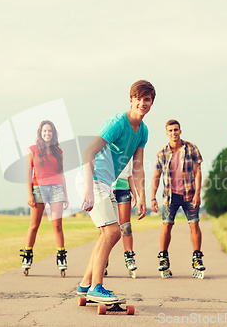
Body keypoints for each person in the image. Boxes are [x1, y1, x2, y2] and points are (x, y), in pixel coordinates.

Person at [76, 80, 155, 301]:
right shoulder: (117, 123)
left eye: (146, 99)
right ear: (131, 100)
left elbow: (137, 167)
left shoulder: (143, 131)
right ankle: (96, 287)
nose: (142, 103)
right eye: (138, 98)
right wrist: (89, 190)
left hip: (105, 183)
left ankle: (85, 285)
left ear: (151, 103)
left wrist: (141, 197)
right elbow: (87, 153)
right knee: (112, 232)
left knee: (107, 235)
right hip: (92, 179)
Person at [151, 119, 205, 278]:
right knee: (166, 225)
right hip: (170, 196)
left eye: (176, 130)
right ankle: (163, 257)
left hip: (189, 194)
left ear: (180, 131)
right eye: (170, 131)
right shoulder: (162, 153)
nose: (173, 133)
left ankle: (197, 258)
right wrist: (153, 198)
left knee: (194, 224)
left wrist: (197, 193)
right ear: (167, 133)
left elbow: (198, 172)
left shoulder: (191, 149)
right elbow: (156, 176)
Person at [20, 120, 69, 276]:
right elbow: (28, 174)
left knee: (57, 226)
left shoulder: (58, 151)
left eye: (50, 131)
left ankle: (61, 257)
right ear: (40, 133)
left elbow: (61, 173)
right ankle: (27, 256)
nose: (47, 134)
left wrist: (66, 194)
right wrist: (29, 194)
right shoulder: (32, 150)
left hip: (56, 189)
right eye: (44, 131)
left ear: (53, 133)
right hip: (38, 189)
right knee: (34, 225)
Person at [112, 159, 138, 277]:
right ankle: (104, 259)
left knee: (126, 226)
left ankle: (129, 257)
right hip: (108, 189)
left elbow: (130, 175)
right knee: (106, 227)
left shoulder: (128, 152)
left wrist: (134, 193)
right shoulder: (106, 147)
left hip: (124, 190)